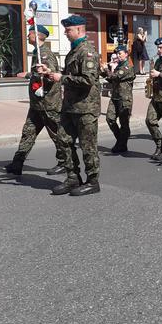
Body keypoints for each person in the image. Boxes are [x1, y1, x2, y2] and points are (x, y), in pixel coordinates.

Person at [39, 15, 102, 196]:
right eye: (66, 30)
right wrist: (51, 72)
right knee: (63, 140)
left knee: (88, 145)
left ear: (79, 30)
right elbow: (68, 74)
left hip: (85, 107)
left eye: (68, 30)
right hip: (70, 106)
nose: (65, 33)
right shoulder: (74, 51)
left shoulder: (87, 51)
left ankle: (92, 181)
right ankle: (73, 177)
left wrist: (62, 78)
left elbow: (88, 79)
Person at [5, 25, 66, 176]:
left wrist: (35, 75)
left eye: (29, 33)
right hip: (37, 105)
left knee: (57, 135)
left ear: (37, 35)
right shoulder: (36, 53)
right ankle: (17, 163)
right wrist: (30, 74)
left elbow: (51, 75)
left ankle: (65, 162)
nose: (27, 36)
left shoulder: (45, 54)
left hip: (48, 104)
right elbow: (37, 73)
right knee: (28, 132)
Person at [101, 45, 136, 153]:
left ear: (126, 54)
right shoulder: (118, 67)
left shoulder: (127, 67)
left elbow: (115, 77)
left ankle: (121, 144)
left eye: (120, 53)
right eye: (117, 54)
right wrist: (102, 71)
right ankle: (121, 141)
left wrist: (106, 69)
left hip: (124, 98)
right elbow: (112, 80)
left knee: (124, 123)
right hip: (115, 97)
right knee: (110, 119)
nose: (118, 56)